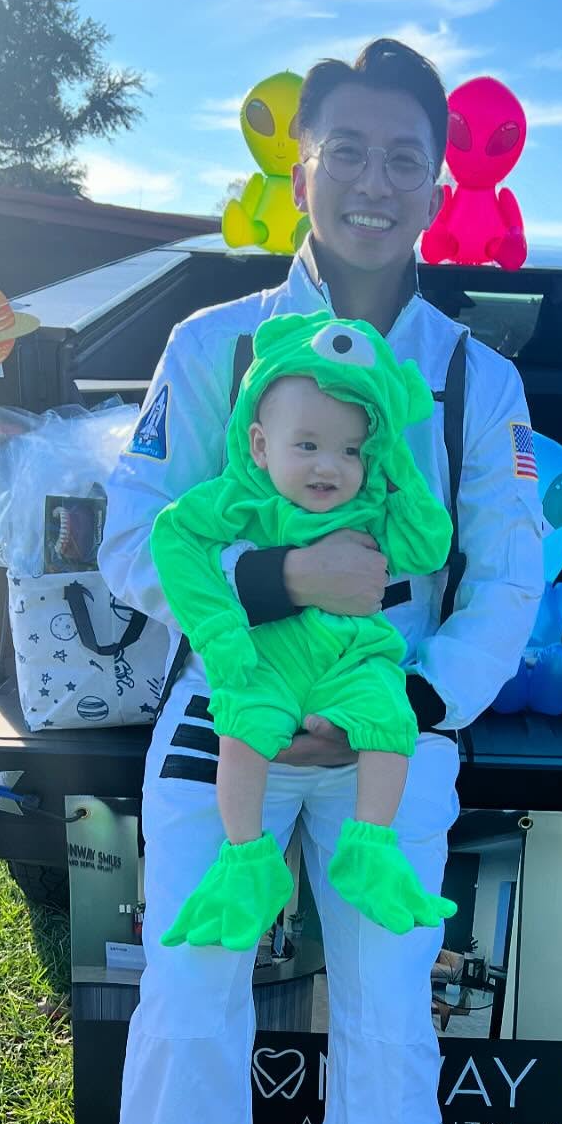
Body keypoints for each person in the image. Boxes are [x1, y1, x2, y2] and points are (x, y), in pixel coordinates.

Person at [98, 37, 543, 1124]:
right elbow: (128, 543)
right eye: (346, 148)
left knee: (389, 1037)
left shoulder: (475, 380)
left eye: (404, 155)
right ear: (300, 165)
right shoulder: (210, 347)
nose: (373, 179)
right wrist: (274, 602)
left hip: (383, 728)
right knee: (186, 1013)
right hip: (225, 709)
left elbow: (508, 581)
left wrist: (414, 700)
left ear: (438, 178)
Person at [149, 309, 458, 949]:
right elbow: (169, 535)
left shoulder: (371, 502)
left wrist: (393, 456)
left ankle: (370, 847)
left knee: (391, 722)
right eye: (308, 446)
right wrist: (219, 630)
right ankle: (246, 861)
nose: (329, 468)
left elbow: (429, 546)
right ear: (260, 446)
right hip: (265, 659)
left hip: (352, 659)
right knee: (238, 731)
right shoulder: (242, 499)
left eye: (351, 450)